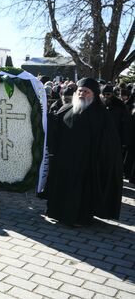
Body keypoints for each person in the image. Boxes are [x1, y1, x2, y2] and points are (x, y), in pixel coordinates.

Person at [44, 78, 124, 226]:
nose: (81, 94)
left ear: (93, 95)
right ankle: (57, 212)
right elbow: (56, 128)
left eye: (86, 91)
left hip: (87, 163)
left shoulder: (101, 115)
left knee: (81, 192)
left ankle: (79, 218)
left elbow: (108, 143)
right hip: (64, 159)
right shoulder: (67, 108)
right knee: (62, 186)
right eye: (80, 91)